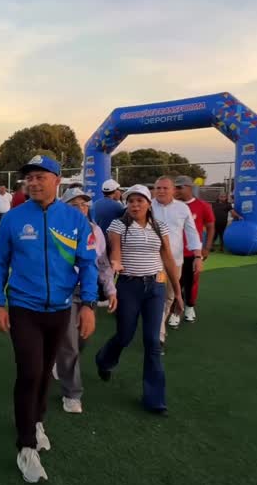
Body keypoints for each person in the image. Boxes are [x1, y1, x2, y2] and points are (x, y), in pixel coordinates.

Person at [0, 154, 98, 484]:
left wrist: (90, 305)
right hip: (23, 307)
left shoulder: (75, 220)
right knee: (30, 372)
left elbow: (88, 263)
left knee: (46, 371)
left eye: (40, 177)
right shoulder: (13, 218)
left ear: (57, 180)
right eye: (29, 178)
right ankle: (26, 447)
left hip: (61, 308)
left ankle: (36, 421)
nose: (33, 183)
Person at [95, 185, 183, 415]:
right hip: (129, 286)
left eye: (139, 201)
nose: (135, 205)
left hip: (156, 287)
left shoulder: (158, 226)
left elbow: (169, 260)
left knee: (153, 342)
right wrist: (115, 264)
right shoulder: (118, 225)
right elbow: (115, 251)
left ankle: (155, 400)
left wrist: (178, 293)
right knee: (124, 335)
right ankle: (104, 360)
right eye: (131, 201)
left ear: (148, 203)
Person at [54, 188, 116, 413]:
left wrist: (110, 290)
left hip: (88, 290)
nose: (81, 208)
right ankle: (72, 394)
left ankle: (59, 361)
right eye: (74, 204)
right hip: (64, 292)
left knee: (82, 339)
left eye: (84, 204)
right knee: (70, 342)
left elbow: (102, 263)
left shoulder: (95, 230)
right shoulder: (55, 228)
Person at [152, 177, 202, 338]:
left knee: (169, 296)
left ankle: (157, 326)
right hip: (153, 262)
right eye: (158, 188)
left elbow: (192, 232)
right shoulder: (147, 206)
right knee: (157, 296)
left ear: (173, 190)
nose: (161, 191)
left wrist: (198, 256)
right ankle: (158, 333)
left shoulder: (182, 209)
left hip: (175, 262)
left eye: (165, 188)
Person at [173, 176, 215, 322]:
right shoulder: (172, 205)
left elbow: (210, 227)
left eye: (179, 187)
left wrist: (207, 248)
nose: (176, 190)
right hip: (174, 252)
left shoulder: (203, 206)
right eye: (175, 187)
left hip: (193, 252)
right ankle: (175, 311)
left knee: (192, 281)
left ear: (189, 188)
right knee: (175, 282)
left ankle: (190, 307)